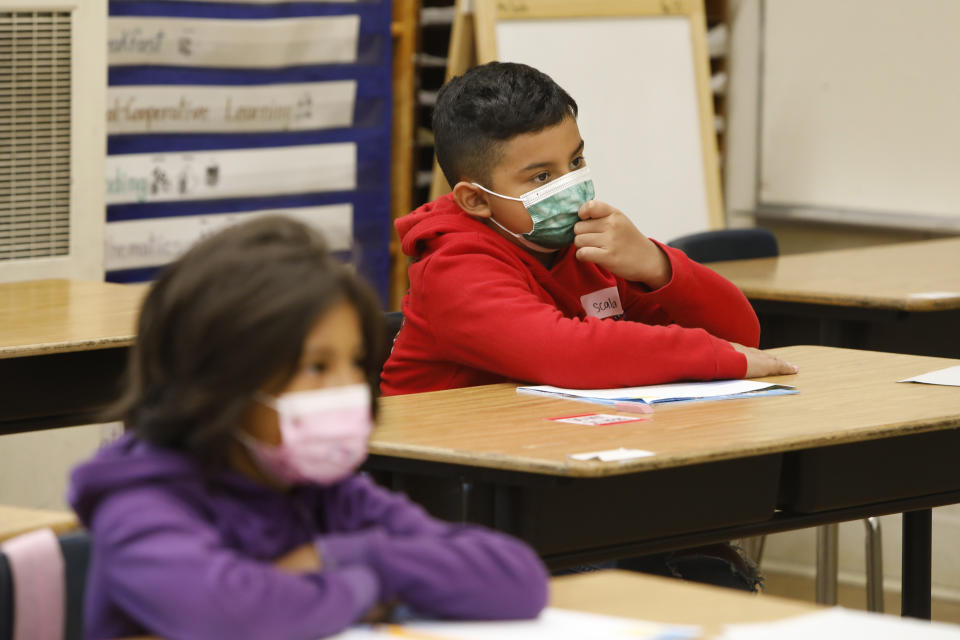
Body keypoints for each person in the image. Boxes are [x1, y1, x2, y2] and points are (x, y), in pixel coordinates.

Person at [68, 217, 548, 640]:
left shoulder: (321, 493)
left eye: (355, 362)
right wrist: (375, 582)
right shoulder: (139, 501)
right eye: (317, 367)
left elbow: (516, 579)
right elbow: (234, 617)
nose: (349, 389)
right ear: (221, 380)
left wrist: (346, 558)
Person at [381, 61, 796, 396]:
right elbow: (563, 353)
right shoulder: (453, 266)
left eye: (575, 162)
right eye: (541, 177)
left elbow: (741, 333)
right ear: (476, 199)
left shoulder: (587, 243)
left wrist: (657, 265)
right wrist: (712, 356)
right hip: (442, 481)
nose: (570, 185)